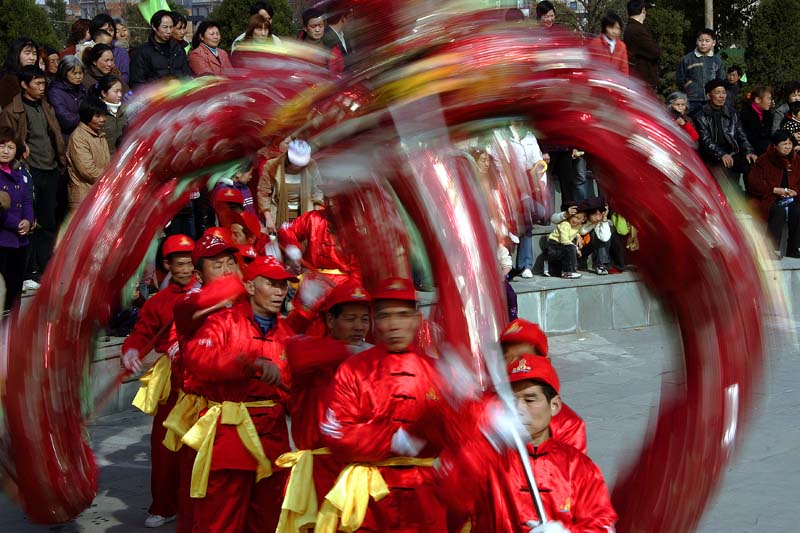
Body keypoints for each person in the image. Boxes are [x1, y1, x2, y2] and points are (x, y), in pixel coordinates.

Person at [319, 277, 450, 532]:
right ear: (375, 322)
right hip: (370, 496)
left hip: (426, 495)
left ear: (416, 319)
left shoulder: (437, 372)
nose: (394, 325)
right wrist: (390, 439)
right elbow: (335, 433)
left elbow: (459, 434)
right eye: (385, 316)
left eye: (402, 315)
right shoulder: (353, 370)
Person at [434, 355, 617, 532]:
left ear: (554, 406)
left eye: (530, 400)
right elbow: (452, 496)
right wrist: (489, 443)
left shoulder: (579, 467)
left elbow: (602, 524)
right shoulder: (489, 457)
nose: (519, 409)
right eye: (512, 401)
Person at [180, 255, 295, 533]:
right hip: (231, 436)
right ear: (251, 287)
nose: (280, 292)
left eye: (283, 286)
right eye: (272, 284)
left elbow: (297, 390)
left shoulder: (287, 335)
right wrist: (245, 362)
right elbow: (198, 358)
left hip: (273, 438)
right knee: (221, 518)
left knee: (268, 517)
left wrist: (285, 382)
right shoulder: (222, 322)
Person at [276, 281, 372, 531]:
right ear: (330, 321)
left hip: (357, 469)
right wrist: (352, 350)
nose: (359, 326)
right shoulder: (311, 352)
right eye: (350, 319)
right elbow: (296, 353)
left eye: (364, 319)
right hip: (318, 470)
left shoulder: (368, 358)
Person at [121, 234, 195, 529]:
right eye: (181, 264)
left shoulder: (208, 294)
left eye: (191, 263)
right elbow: (142, 333)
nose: (188, 269)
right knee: (164, 449)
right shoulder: (159, 302)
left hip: (201, 381)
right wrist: (130, 351)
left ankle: (194, 507)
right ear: (168, 264)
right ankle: (163, 505)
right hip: (171, 382)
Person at [0, 66, 65, 284]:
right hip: (28, 169)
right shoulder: (13, 110)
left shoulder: (45, 105)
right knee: (28, 219)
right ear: (24, 85)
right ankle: (30, 271)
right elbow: (7, 141)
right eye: (37, 83)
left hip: (50, 168)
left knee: (47, 221)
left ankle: (45, 268)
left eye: (44, 83)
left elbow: (54, 134)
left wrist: (60, 162)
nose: (42, 87)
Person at [499, 318, 588, 454]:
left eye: (522, 359)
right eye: (507, 358)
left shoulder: (568, 424)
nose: (514, 366)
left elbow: (574, 469)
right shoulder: (482, 408)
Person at [278, 201, 361, 334]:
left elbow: (358, 267)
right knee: (301, 326)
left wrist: (350, 292)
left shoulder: (356, 222)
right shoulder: (313, 218)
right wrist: (293, 247)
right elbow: (286, 229)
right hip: (314, 281)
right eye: (327, 197)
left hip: (341, 286)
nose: (331, 201)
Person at [695, 79, 758, 190]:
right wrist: (721, 154)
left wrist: (749, 151)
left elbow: (740, 133)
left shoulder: (732, 112)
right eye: (717, 93)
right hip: (713, 155)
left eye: (723, 93)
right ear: (709, 95)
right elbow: (706, 140)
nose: (721, 96)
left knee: (751, 164)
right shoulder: (700, 116)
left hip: (732, 152)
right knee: (724, 177)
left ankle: (751, 201)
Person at [746, 131, 800, 258]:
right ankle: (771, 249)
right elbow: (754, 182)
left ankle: (794, 249)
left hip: (791, 197)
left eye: (790, 143)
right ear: (775, 145)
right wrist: (774, 190)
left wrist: (795, 191)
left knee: (797, 211)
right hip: (768, 198)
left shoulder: (796, 160)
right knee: (778, 212)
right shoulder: (764, 160)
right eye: (784, 144)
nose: (788, 147)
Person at [257, 139, 322, 230]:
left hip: (305, 215)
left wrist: (316, 212)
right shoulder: (272, 166)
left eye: (301, 165)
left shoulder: (311, 165)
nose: (298, 167)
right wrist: (268, 218)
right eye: (295, 164)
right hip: (278, 215)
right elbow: (263, 193)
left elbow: (317, 190)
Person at [0, 128, 32, 310]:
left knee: (15, 288)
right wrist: (16, 223)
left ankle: (11, 332)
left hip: (20, 240)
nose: (5, 151)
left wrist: (28, 220)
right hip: (3, 239)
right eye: (2, 146)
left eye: (10, 147)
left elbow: (27, 200)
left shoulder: (19, 173)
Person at [66, 97, 110, 211]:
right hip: (84, 196)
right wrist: (111, 177)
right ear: (86, 116)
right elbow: (87, 171)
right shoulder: (78, 137)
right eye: (97, 116)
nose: (102, 119)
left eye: (104, 115)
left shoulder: (100, 135)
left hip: (99, 193)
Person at [130, 10, 191, 89]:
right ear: (154, 27)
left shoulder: (179, 50)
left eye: (171, 27)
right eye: (165, 27)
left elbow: (186, 76)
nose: (169, 31)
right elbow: (137, 83)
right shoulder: (141, 52)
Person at [676, 28, 723, 118]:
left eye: (707, 41)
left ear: (713, 43)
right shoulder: (688, 59)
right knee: (691, 123)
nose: (703, 43)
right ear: (696, 41)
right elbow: (680, 78)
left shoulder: (717, 60)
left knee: (709, 124)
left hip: (710, 100)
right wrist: (687, 89)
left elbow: (719, 80)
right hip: (691, 100)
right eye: (700, 40)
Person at [46, 55, 88, 145]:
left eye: (80, 73)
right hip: (66, 138)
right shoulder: (55, 92)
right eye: (74, 73)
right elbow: (65, 120)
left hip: (83, 135)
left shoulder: (82, 89)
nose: (78, 76)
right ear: (64, 73)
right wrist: (87, 117)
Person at [623, 0, 660, 89]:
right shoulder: (637, 30)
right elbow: (655, 52)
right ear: (643, 10)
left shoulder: (631, 28)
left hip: (638, 79)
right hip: (642, 80)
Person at [89, 13, 130, 84]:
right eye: (104, 30)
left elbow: (125, 77)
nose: (108, 33)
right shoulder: (86, 49)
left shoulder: (120, 52)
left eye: (111, 30)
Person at [0, 37, 39, 109]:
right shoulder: (9, 80)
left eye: (34, 53)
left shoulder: (36, 76)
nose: (32, 57)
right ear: (16, 54)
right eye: (27, 53)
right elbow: (13, 112)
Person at [546, 209, 585, 279]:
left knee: (569, 249)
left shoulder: (579, 226)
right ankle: (569, 271)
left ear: (583, 220)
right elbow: (564, 240)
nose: (574, 220)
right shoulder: (565, 224)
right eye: (573, 217)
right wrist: (576, 249)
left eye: (578, 218)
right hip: (554, 245)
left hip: (561, 246)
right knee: (571, 248)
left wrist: (578, 236)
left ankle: (555, 271)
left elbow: (575, 232)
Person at [95, 75, 127, 154]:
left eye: (120, 91)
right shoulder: (96, 113)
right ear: (104, 93)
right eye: (116, 91)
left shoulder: (125, 109)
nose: (120, 95)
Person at [740, 86, 775, 156]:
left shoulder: (768, 113)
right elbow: (745, 137)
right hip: (749, 151)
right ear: (758, 100)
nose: (770, 102)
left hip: (765, 147)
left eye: (771, 99)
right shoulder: (745, 114)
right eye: (768, 99)